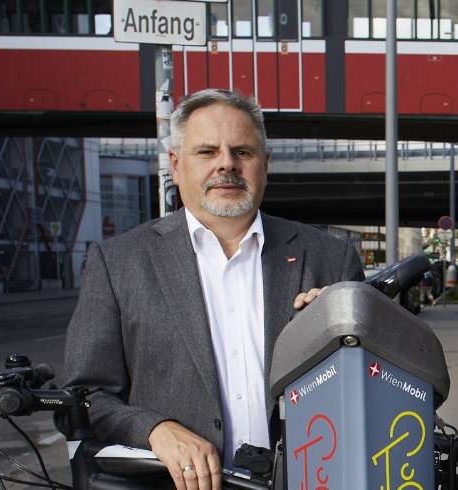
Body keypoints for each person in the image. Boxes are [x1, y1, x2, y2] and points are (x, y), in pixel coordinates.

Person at [60, 88, 364, 490]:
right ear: (176, 164)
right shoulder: (119, 263)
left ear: (265, 164)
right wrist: (156, 429)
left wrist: (343, 342)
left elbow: (379, 382)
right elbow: (81, 400)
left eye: (242, 152)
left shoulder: (331, 258)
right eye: (207, 152)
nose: (226, 164)